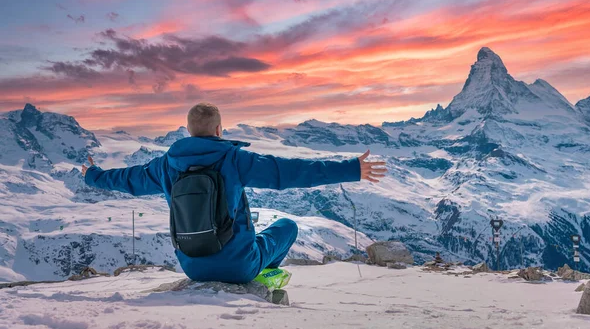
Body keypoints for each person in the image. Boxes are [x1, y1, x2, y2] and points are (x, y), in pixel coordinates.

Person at [82, 103, 387, 284]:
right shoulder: (234, 159)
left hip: (191, 267)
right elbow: (290, 172)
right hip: (239, 266)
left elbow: (126, 179)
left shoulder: (165, 166)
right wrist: (350, 169)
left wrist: (93, 175)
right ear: (219, 130)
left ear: (188, 131)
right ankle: (263, 277)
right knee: (287, 227)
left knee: (255, 241)